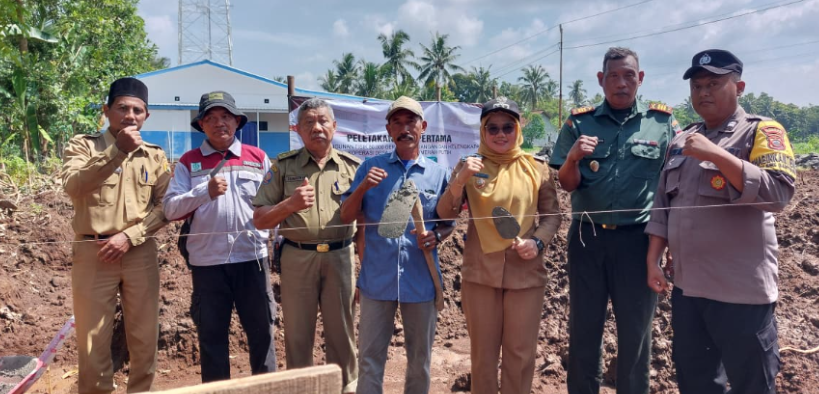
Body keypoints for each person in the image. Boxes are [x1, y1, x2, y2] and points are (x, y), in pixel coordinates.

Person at [645, 49, 795, 394]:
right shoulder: (682, 142)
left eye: (714, 83)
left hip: (740, 294)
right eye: (697, 86)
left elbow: (778, 195)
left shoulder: (760, 132)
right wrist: (653, 259)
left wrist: (716, 154)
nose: (704, 93)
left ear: (739, 86)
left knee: (751, 384)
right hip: (688, 290)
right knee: (696, 382)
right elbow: (662, 206)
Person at [549, 47, 680, 394]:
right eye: (613, 76)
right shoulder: (579, 122)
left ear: (640, 78)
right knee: (584, 328)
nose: (621, 84)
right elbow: (566, 183)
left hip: (639, 241)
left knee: (636, 332)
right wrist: (573, 158)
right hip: (587, 237)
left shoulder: (663, 123)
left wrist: (670, 246)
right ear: (600, 79)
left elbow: (677, 185)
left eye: (628, 76)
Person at [436, 97, 561, 394]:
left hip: (526, 273)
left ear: (517, 130)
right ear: (482, 131)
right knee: (483, 356)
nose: (500, 134)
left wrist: (537, 242)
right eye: (492, 128)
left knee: (520, 354)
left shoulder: (537, 168)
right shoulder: (469, 166)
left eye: (508, 126)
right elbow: (444, 213)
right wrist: (460, 180)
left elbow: (553, 215)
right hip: (480, 275)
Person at [62, 77, 171, 394]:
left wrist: (131, 235)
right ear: (107, 110)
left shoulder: (154, 156)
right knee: (93, 343)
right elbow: (74, 186)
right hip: (92, 253)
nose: (130, 115)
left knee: (144, 339)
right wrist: (117, 152)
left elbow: (167, 206)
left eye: (138, 110)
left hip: (139, 253)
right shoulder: (83, 146)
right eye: (122, 108)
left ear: (146, 116)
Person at [340, 96, 453, 394]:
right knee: (370, 358)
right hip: (377, 281)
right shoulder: (370, 168)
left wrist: (437, 236)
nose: (405, 129)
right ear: (388, 129)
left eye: (411, 122)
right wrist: (363, 187)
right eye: (397, 123)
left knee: (420, 360)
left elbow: (448, 220)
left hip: (421, 280)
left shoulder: (439, 174)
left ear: (423, 127)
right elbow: (346, 215)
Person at [163, 91, 276, 383]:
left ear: (237, 121)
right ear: (201, 125)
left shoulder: (258, 158)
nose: (218, 123)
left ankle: (266, 390)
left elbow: (273, 206)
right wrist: (204, 191)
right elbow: (170, 208)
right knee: (212, 339)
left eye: (225, 116)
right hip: (207, 265)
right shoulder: (189, 162)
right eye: (210, 118)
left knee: (262, 335)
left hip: (252, 261)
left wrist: (274, 246)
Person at [252, 98, 361, 393]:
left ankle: (346, 387)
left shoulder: (352, 168)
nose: (317, 128)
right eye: (309, 123)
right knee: (298, 335)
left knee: (343, 333)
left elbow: (365, 225)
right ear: (297, 130)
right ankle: (301, 388)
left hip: (341, 257)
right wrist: (290, 204)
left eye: (323, 121)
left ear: (334, 126)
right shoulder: (284, 167)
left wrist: (366, 272)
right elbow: (260, 219)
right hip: (298, 259)